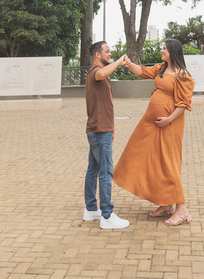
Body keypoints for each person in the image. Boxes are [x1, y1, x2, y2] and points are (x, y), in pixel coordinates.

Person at [113, 39, 195, 226]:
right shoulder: (161, 68)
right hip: (150, 124)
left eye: (165, 48)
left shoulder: (183, 76)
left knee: (168, 163)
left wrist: (167, 120)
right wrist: (129, 64)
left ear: (173, 51)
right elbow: (143, 71)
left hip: (169, 125)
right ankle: (166, 204)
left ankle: (182, 209)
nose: (162, 50)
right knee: (148, 157)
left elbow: (183, 104)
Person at [84, 40, 130, 230]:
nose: (110, 54)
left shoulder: (95, 72)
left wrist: (111, 129)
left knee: (93, 170)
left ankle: (90, 209)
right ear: (98, 54)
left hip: (99, 130)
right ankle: (107, 215)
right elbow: (102, 73)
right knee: (105, 172)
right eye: (107, 52)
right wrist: (119, 62)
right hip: (99, 131)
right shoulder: (95, 71)